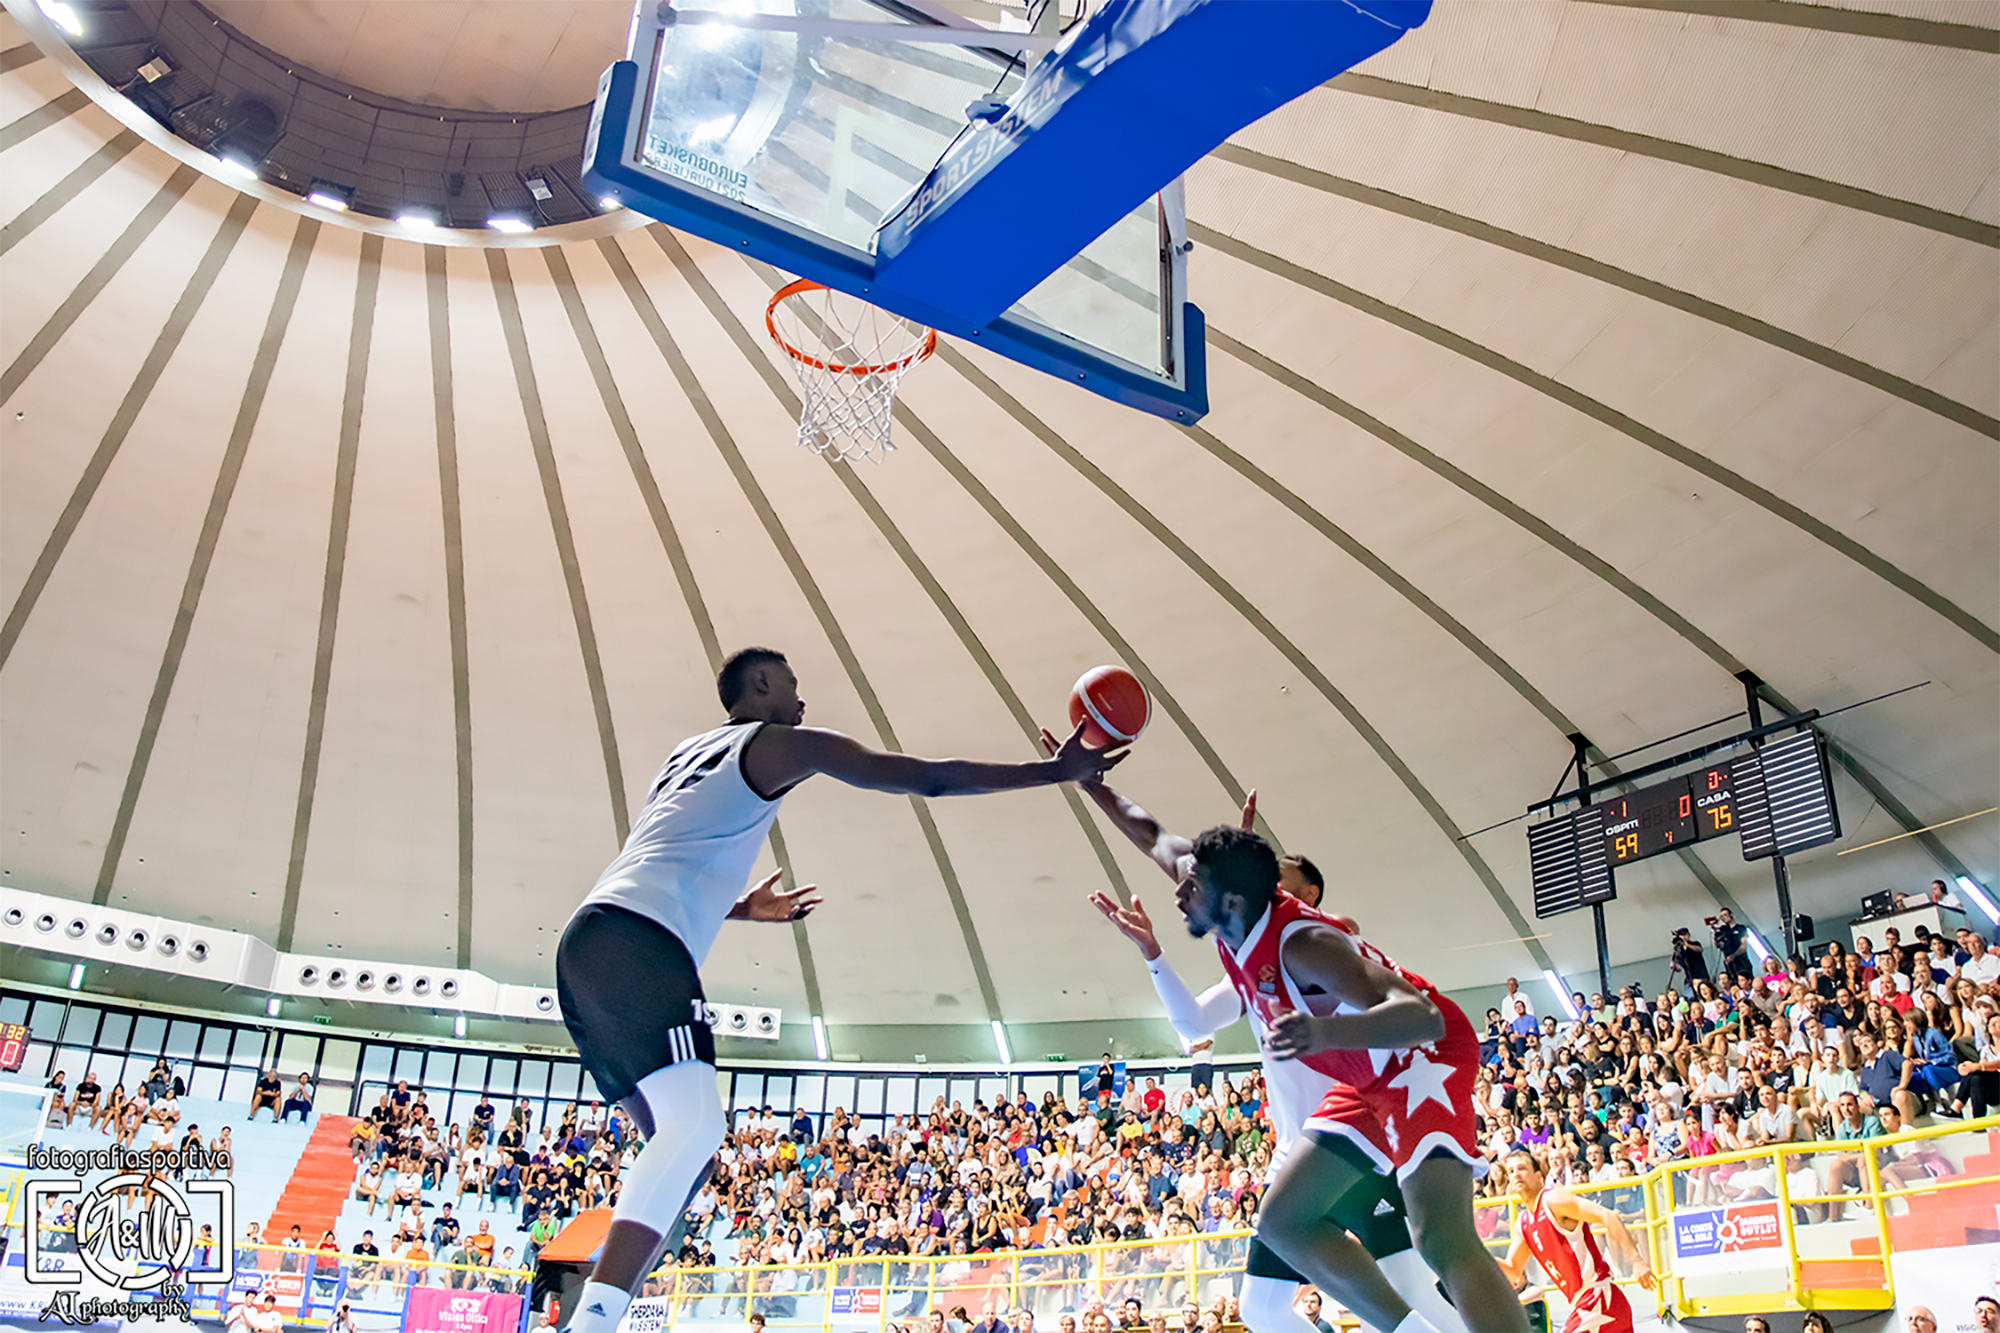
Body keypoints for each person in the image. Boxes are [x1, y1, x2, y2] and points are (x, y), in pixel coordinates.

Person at [556, 647, 1124, 1333]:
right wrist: (1055, 771)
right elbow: (929, 778)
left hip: (589, 944)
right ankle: (593, 1321)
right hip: (640, 943)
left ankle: (600, 1311)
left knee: (687, 1159)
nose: (802, 700)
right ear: (761, 683)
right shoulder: (777, 744)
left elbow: (663, 856)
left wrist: (738, 909)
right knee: (697, 1128)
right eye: (793, 685)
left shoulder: (685, 755)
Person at [1076, 769, 1466, 1333]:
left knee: (1412, 1287)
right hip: (1298, 1147)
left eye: (1198, 884)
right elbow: (1155, 841)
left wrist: (1324, 1033)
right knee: (1261, 1312)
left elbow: (1419, 1016)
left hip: (1358, 1129)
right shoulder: (1242, 951)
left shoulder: (1312, 943)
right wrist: (1091, 784)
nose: (1182, 891)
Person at [1499, 1151, 1652, 1333]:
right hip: (1591, 1304)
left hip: (1599, 1297)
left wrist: (1636, 1260)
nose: (1516, 1174)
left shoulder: (1552, 1200)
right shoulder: (1522, 1223)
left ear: (1539, 1176)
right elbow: (1513, 1270)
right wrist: (1477, 1252)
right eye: (1511, 1171)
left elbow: (1608, 1215)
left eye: (1522, 1168)